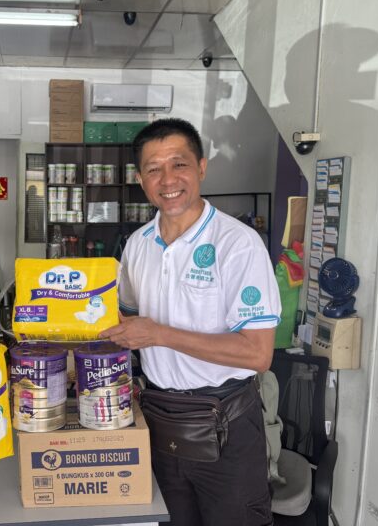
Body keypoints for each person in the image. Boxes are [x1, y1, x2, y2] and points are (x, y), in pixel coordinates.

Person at [100, 118, 281, 526]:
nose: (168, 180)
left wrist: (159, 335)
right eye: (153, 169)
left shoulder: (237, 243)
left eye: (179, 164)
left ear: (201, 167)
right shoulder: (137, 245)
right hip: (159, 419)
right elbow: (126, 318)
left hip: (226, 423)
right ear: (140, 179)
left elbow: (257, 354)